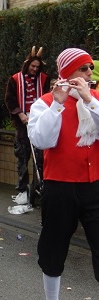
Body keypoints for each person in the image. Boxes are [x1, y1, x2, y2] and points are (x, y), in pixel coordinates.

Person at [28, 48, 99, 300]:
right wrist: (57, 104)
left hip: (94, 187)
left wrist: (90, 101)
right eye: (83, 68)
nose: (89, 72)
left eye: (90, 67)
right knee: (53, 249)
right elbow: (42, 140)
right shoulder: (45, 103)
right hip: (60, 187)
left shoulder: (96, 99)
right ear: (68, 73)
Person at [5, 46, 50, 193]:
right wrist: (20, 114)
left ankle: (38, 186)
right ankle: (22, 188)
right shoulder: (15, 79)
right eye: (33, 66)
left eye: (37, 67)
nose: (35, 69)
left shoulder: (44, 79)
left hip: (39, 121)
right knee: (23, 155)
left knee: (40, 157)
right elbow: (10, 99)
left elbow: (48, 97)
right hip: (22, 122)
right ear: (27, 65)